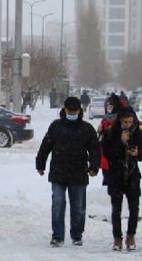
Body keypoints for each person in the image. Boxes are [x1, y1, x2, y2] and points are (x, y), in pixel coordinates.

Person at [36, 96, 100, 247]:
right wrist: (40, 164)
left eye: (75, 111)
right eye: (69, 110)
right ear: (64, 110)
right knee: (58, 203)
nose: (72, 113)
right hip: (59, 172)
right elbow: (46, 146)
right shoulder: (56, 126)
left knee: (78, 206)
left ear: (79, 111)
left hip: (79, 173)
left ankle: (77, 235)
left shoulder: (86, 129)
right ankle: (57, 236)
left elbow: (95, 150)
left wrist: (93, 167)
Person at [102, 107, 142, 251]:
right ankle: (117, 237)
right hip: (116, 174)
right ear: (120, 121)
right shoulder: (110, 133)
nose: (128, 124)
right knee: (116, 209)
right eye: (126, 122)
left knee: (134, 208)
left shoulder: (138, 133)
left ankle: (131, 235)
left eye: (131, 122)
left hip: (132, 174)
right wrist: (120, 143)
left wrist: (137, 153)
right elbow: (108, 154)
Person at [98, 93, 123, 185]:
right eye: (107, 106)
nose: (109, 108)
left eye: (111, 106)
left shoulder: (121, 119)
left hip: (116, 152)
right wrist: (100, 131)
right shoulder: (105, 119)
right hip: (105, 152)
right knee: (106, 175)